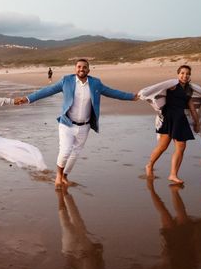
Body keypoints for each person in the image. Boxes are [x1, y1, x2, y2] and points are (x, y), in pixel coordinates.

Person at [14, 59, 137, 187]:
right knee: (65, 151)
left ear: (88, 70)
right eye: (79, 67)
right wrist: (28, 99)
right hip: (67, 124)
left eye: (84, 67)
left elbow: (113, 92)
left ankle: (65, 176)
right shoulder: (66, 81)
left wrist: (131, 96)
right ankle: (58, 176)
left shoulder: (95, 83)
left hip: (85, 125)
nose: (81, 69)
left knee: (75, 153)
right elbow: (47, 91)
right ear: (75, 69)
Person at [141, 65, 201, 185]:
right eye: (182, 73)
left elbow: (192, 108)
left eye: (187, 73)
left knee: (181, 147)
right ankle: (149, 165)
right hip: (169, 117)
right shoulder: (173, 85)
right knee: (163, 146)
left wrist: (197, 122)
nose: (185, 76)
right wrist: (144, 94)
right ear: (178, 74)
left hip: (180, 119)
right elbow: (158, 88)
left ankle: (173, 174)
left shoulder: (189, 90)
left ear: (190, 76)